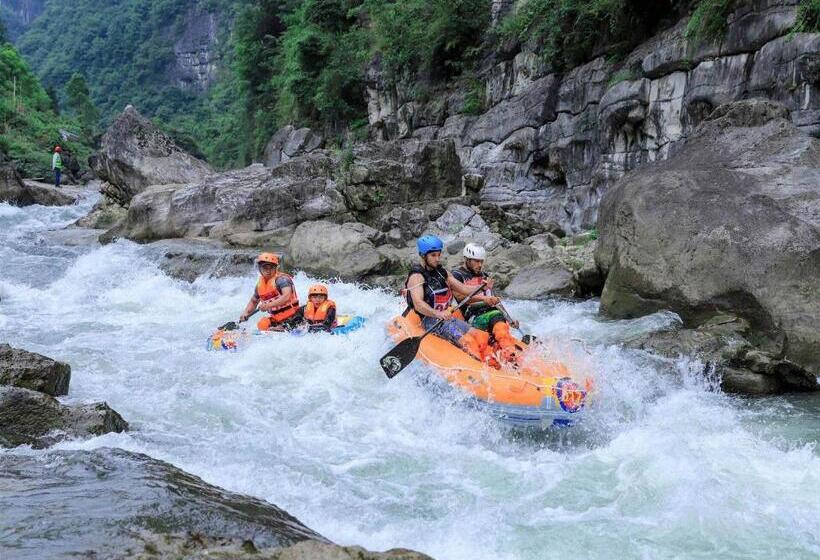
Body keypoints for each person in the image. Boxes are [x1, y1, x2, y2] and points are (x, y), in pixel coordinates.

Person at [404, 235, 496, 364]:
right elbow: (418, 304)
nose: (437, 259)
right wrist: (438, 314)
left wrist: (482, 287)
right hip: (430, 320)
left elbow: (463, 289)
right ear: (423, 255)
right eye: (433, 255)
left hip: (446, 317)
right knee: (468, 341)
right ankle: (481, 366)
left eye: (438, 255)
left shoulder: (442, 272)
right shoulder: (417, 276)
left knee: (480, 336)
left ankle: (494, 361)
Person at [451, 243, 520, 362]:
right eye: (476, 261)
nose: (480, 265)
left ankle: (509, 356)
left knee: (500, 326)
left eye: (481, 261)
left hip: (492, 313)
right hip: (473, 315)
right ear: (467, 259)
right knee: (493, 331)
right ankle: (502, 355)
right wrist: (484, 300)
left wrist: (509, 319)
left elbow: (493, 299)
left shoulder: (484, 276)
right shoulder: (457, 275)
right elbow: (460, 297)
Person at [240, 253, 302, 331]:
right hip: (277, 318)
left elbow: (286, 296)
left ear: (276, 268)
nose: (268, 271)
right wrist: (246, 313)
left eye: (271, 268)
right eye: (265, 268)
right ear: (259, 268)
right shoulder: (259, 286)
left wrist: (267, 305)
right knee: (262, 324)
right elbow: (254, 301)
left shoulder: (282, 280)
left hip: (293, 315)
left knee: (276, 328)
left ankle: (283, 328)